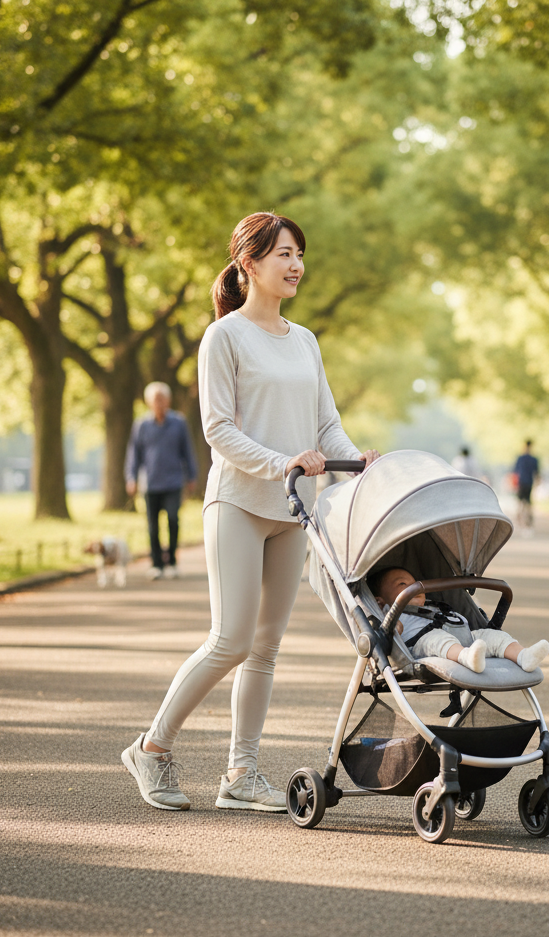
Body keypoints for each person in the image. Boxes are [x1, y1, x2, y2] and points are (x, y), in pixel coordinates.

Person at [122, 212, 379, 813]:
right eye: (284, 254)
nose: (296, 265)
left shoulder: (306, 339)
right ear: (249, 264)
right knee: (230, 638)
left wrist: (355, 458)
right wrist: (283, 462)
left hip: (293, 511)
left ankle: (241, 773)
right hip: (238, 501)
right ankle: (152, 748)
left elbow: (326, 425)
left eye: (299, 254)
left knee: (266, 647)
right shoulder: (225, 337)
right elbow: (218, 431)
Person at [368, 567, 549, 673]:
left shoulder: (431, 605)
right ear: (380, 600)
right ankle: (466, 658)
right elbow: (390, 629)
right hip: (422, 644)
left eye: (416, 583)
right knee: (439, 640)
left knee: (492, 636)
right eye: (403, 584)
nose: (414, 588)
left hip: (464, 636)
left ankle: (523, 656)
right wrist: (393, 627)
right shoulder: (388, 611)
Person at [125, 382, 198, 580]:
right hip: (150, 483)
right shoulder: (141, 425)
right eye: (155, 399)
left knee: (173, 520)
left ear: (168, 400)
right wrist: (131, 477)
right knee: (152, 525)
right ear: (149, 402)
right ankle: (156, 563)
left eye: (162, 398)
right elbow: (134, 454)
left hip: (174, 481)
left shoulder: (179, 422)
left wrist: (192, 475)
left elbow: (187, 451)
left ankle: (172, 561)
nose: (159, 402)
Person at [513, 440, 539, 533]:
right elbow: (537, 473)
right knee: (527, 504)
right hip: (528, 483)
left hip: (522, 483)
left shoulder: (520, 458)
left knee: (521, 503)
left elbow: (515, 472)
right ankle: (527, 522)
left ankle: (520, 522)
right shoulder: (533, 459)